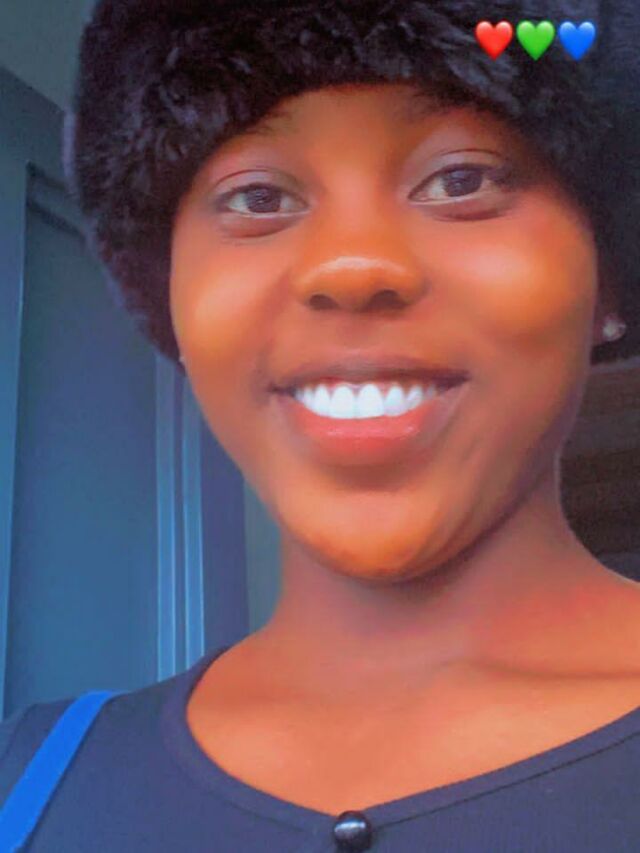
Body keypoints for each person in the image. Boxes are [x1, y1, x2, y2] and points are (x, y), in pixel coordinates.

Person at [1, 1, 640, 850]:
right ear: (170, 302)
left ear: (610, 280)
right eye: (258, 196)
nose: (352, 265)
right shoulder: (26, 775)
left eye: (462, 179)